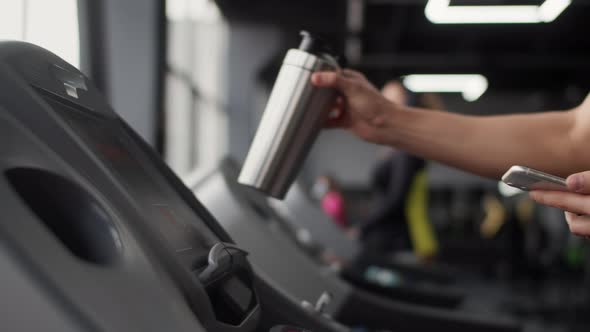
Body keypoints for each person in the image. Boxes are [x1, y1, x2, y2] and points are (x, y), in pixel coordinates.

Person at [310, 69, 590, 238]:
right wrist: (384, 119)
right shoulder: (393, 155)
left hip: (406, 238)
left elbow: (396, 199)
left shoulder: (404, 160)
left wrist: (362, 229)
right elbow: (572, 137)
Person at [362, 81, 439, 260]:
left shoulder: (408, 149)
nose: (382, 102)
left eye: (391, 99)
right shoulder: (396, 149)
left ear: (407, 104)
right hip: (396, 237)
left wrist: (363, 228)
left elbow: (397, 199)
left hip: (409, 240)